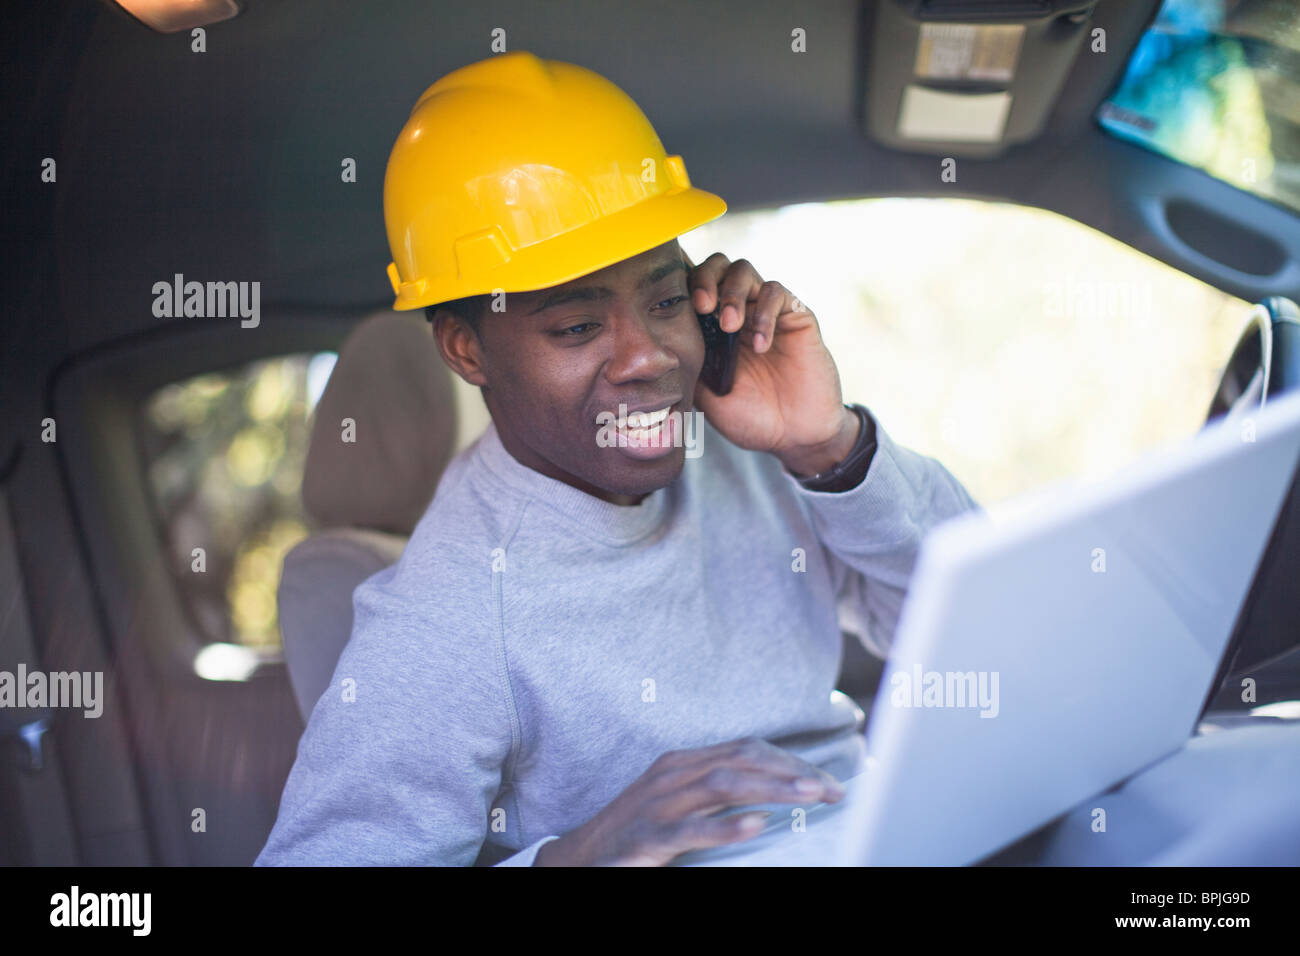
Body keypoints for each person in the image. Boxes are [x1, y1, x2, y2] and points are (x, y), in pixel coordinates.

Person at [255, 50, 978, 867]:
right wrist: (578, 857)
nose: (649, 358)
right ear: (466, 350)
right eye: (575, 327)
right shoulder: (448, 612)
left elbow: (981, 626)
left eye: (667, 301)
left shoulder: (745, 448)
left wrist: (828, 448)